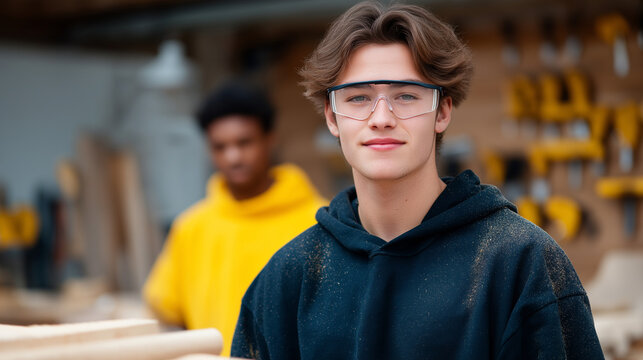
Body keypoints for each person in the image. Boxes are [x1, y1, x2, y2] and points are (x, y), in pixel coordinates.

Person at [231, 2, 604, 359]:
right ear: (332, 117)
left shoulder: (519, 264)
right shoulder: (289, 278)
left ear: (442, 112)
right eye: (358, 97)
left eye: (406, 95)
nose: (381, 117)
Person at [143, 82, 326, 356]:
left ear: (270, 139)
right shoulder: (192, 227)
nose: (233, 157)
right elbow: (167, 309)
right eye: (220, 146)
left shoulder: (318, 222)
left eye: (244, 142)